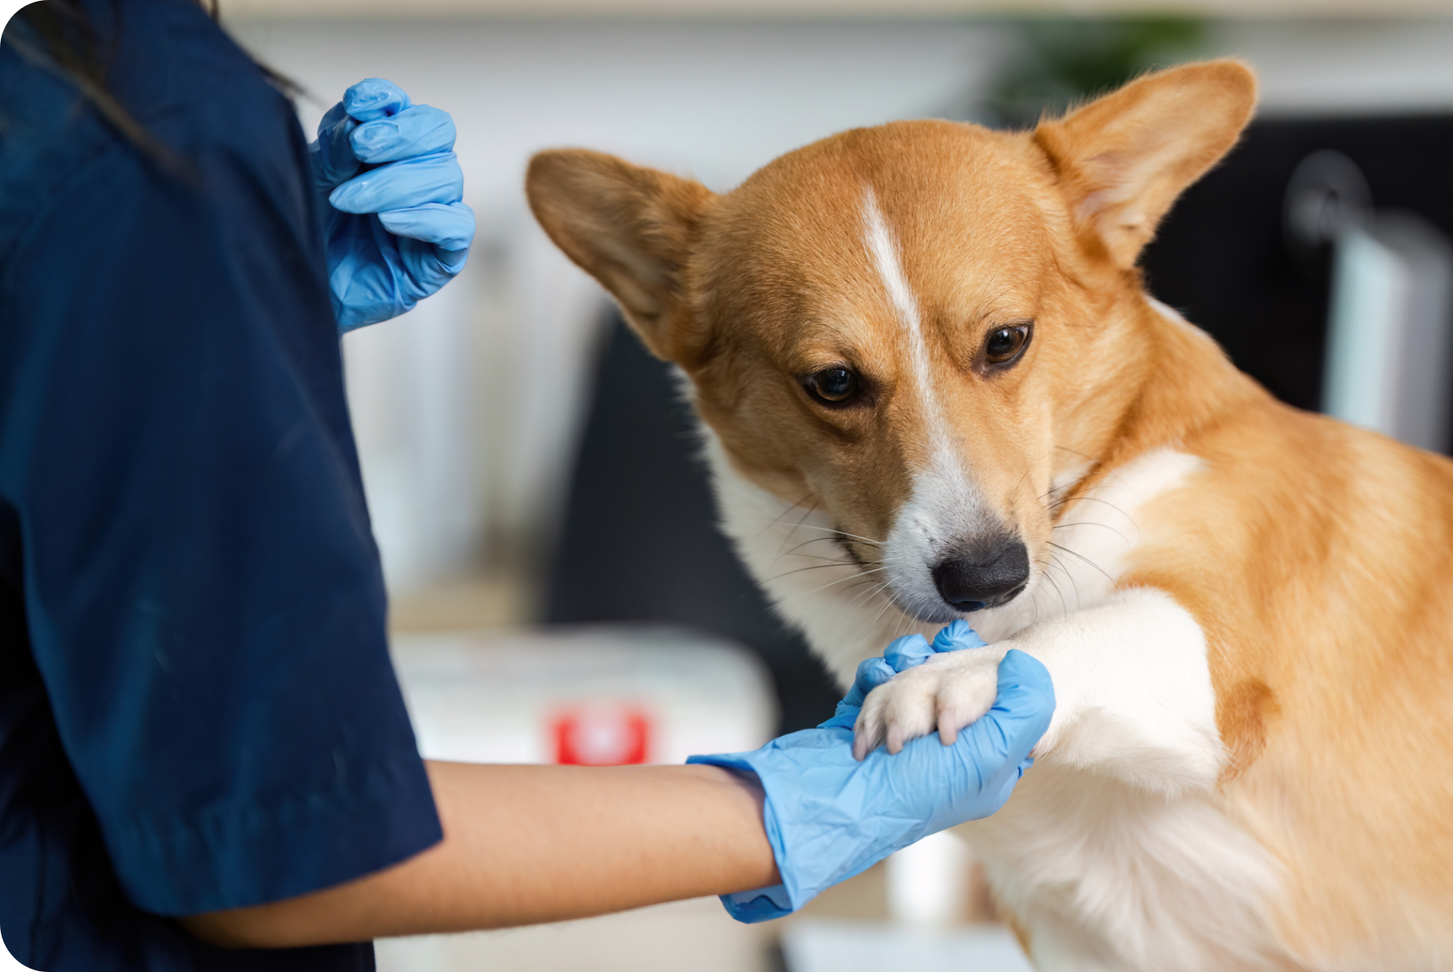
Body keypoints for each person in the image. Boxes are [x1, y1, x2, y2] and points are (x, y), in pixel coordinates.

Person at [0, 1, 1057, 969]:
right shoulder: (143, 110)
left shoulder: (73, 91)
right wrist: (796, 806)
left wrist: (214, 328)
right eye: (834, 381)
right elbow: (286, 851)